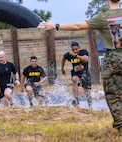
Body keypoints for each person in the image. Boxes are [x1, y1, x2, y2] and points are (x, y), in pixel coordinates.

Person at [38, 0, 122, 134]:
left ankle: (120, 126)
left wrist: (56, 25)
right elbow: (65, 58)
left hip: (113, 58)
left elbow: (78, 26)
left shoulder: (103, 17)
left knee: (113, 94)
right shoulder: (69, 55)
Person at [61, 41, 92, 108]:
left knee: (87, 90)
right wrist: (62, 68)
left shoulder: (83, 52)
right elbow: (63, 58)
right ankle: (76, 99)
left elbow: (85, 59)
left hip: (84, 72)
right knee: (75, 80)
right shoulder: (69, 54)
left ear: (79, 48)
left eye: (76, 49)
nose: (75, 51)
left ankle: (90, 105)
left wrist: (76, 55)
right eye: (73, 50)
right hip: (75, 72)